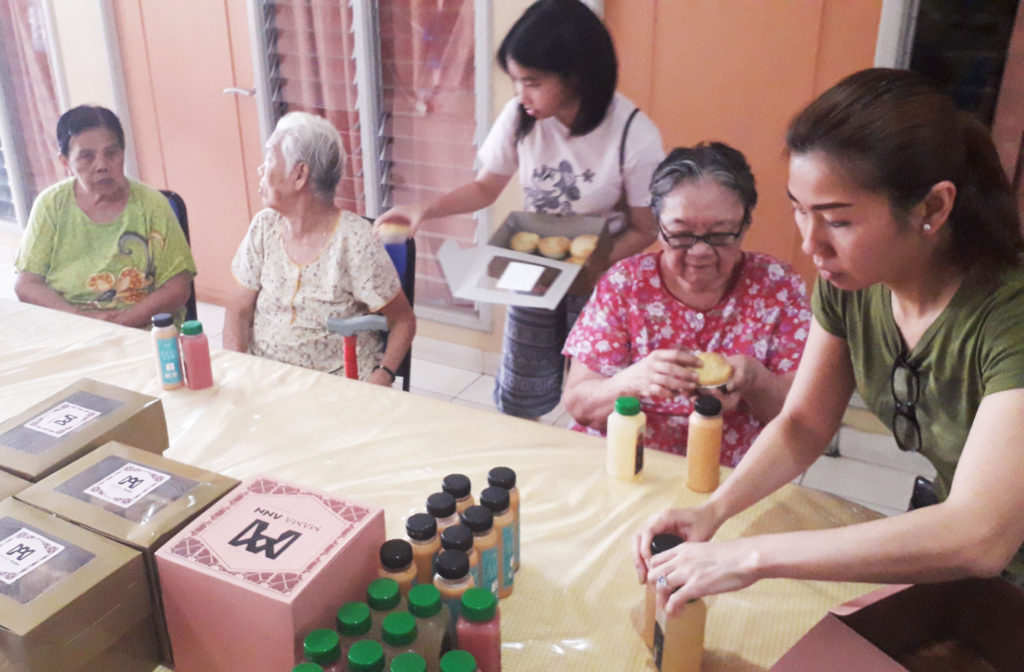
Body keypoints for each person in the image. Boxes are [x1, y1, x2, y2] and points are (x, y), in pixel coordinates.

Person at [633, 68, 1024, 614]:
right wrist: (714, 511)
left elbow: (979, 535)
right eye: (799, 209)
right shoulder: (853, 285)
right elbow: (804, 424)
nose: (809, 243)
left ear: (933, 209)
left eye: (837, 221)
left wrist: (749, 557)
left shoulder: (1008, 318)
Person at [374, 0, 664, 418]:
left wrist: (589, 265)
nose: (519, 94)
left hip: (601, 274)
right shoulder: (521, 116)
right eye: (515, 81)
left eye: (532, 82)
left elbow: (645, 228)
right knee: (521, 391)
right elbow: (485, 188)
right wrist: (423, 209)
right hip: (535, 264)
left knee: (597, 397)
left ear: (577, 75)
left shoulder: (634, 136)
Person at [562, 144, 810, 465]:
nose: (700, 252)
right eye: (680, 234)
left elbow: (801, 418)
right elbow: (580, 405)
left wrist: (756, 381)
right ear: (658, 227)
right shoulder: (625, 284)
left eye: (721, 234)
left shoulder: (778, 286)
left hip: (728, 473)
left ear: (745, 224)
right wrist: (633, 380)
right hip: (625, 460)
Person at [223, 112, 415, 387]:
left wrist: (383, 374)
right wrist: (237, 369)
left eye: (269, 160)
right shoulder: (264, 226)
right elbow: (238, 309)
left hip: (336, 384)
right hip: (264, 379)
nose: (260, 170)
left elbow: (403, 320)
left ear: (299, 175)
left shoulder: (355, 241)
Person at [14, 105, 196, 326]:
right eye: (86, 157)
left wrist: (121, 324)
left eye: (111, 153)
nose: (102, 166)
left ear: (123, 153)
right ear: (66, 163)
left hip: (143, 328)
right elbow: (27, 284)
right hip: (70, 326)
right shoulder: (51, 205)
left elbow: (177, 288)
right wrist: (80, 318)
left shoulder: (152, 206)